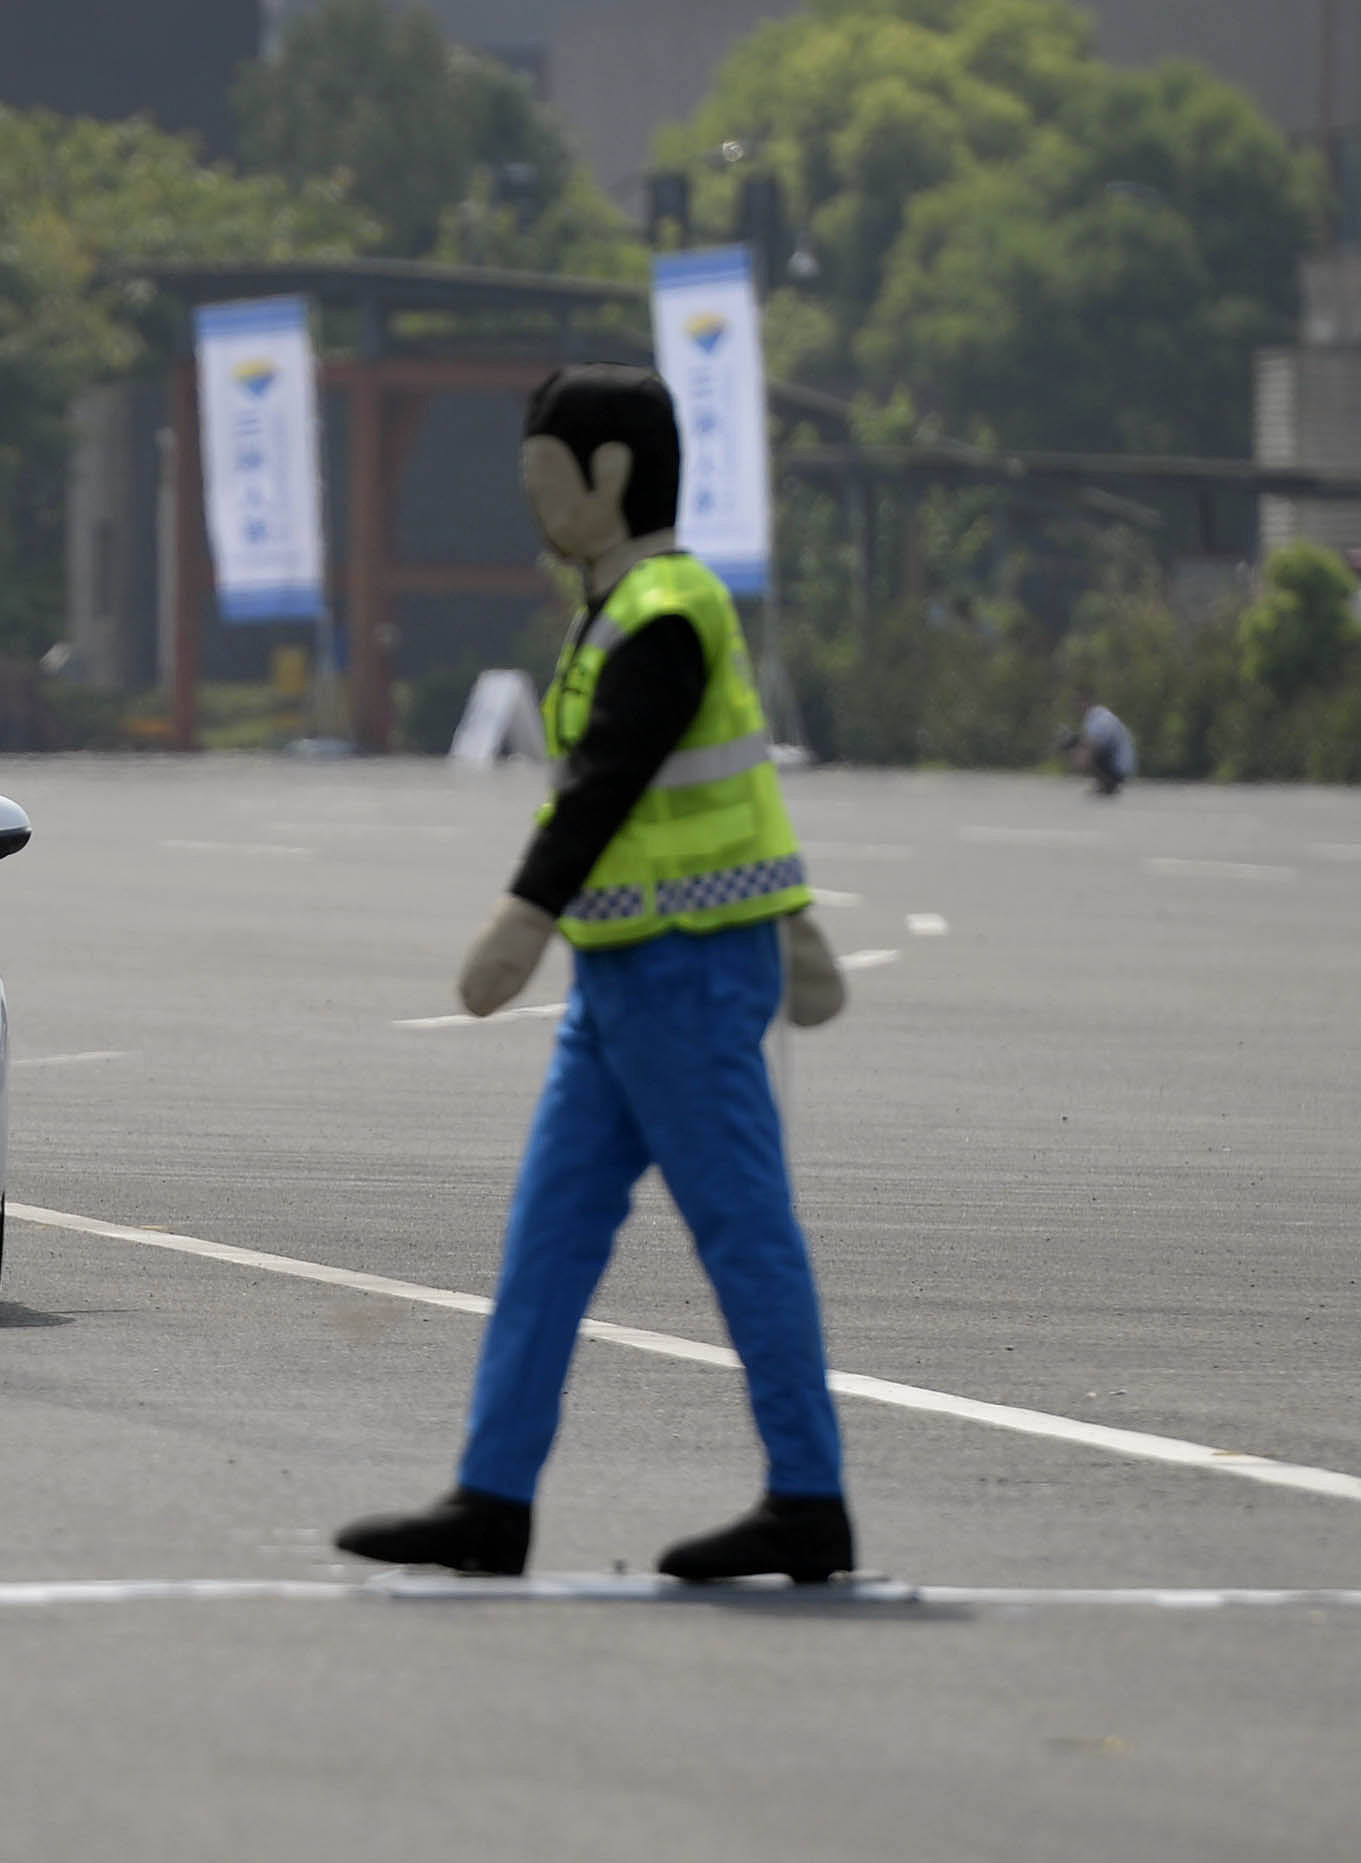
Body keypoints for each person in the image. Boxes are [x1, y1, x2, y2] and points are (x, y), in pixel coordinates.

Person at [334, 363, 859, 1585]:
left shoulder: (665, 610)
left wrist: (520, 921)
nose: (531, 504)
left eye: (542, 479)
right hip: (628, 975)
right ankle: (492, 1498)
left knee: (744, 1234)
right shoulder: (619, 606)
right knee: (548, 1239)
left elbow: (613, 781)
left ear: (608, 476)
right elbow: (719, 800)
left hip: (682, 975)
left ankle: (807, 1496)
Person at [1060, 689, 1134, 796]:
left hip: (1119, 768)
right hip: (1122, 766)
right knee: (1080, 744)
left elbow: (1091, 745)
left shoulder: (1098, 718)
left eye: (1081, 703)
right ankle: (1105, 782)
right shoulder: (1100, 715)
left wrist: (1078, 760)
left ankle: (1108, 784)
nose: (1079, 707)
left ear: (1088, 703)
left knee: (1077, 743)